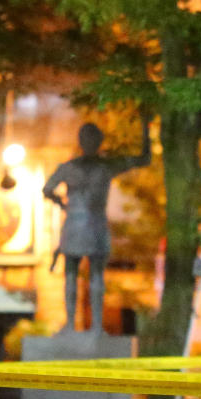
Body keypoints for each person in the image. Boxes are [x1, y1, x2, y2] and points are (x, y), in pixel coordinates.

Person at [42, 112, 151, 334]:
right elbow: (143, 158)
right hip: (94, 223)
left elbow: (47, 190)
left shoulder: (69, 167)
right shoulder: (107, 165)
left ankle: (73, 326)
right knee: (93, 273)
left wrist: (62, 204)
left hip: (75, 222)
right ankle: (93, 326)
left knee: (73, 273)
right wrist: (145, 126)